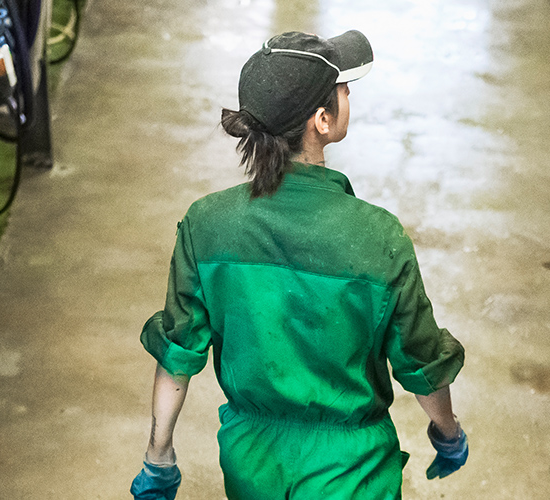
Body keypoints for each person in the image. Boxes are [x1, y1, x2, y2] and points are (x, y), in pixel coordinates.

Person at [129, 30, 470, 500]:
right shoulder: (379, 238)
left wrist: (159, 456)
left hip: (252, 464)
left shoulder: (207, 225)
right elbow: (419, 359)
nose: (350, 94)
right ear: (322, 120)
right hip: (353, 472)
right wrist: (448, 433)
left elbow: (178, 354)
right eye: (343, 89)